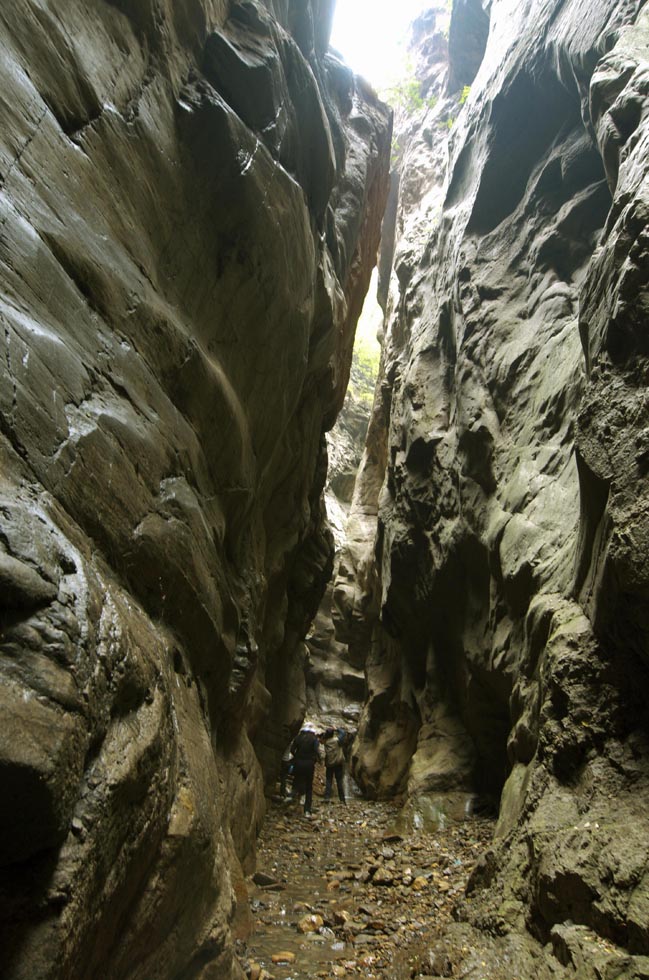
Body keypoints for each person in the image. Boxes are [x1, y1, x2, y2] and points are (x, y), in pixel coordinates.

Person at [290, 722, 321, 817]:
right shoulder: (314, 739)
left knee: (297, 782)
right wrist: (317, 759)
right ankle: (307, 810)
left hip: (298, 763)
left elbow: (292, 749)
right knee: (309, 787)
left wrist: (297, 757)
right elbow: (316, 751)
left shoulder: (298, 737)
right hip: (309, 764)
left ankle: (292, 802)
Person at [323, 728, 346, 804]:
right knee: (339, 781)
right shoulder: (337, 741)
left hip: (329, 764)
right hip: (338, 763)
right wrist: (336, 729)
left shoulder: (326, 742)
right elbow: (343, 733)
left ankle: (327, 797)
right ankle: (342, 799)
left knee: (329, 780)